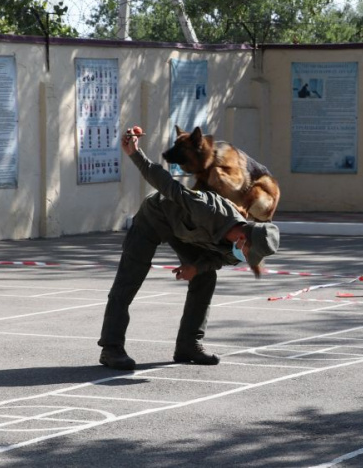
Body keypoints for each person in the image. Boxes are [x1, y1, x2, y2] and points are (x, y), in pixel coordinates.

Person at [98, 130, 280, 370]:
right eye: (249, 254)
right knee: (129, 278)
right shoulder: (209, 210)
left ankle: (189, 345)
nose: (246, 260)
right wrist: (135, 153)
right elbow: (168, 186)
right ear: (243, 238)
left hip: (186, 233)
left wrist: (196, 267)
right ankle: (111, 349)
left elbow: (216, 261)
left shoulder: (239, 249)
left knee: (205, 277)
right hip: (157, 217)